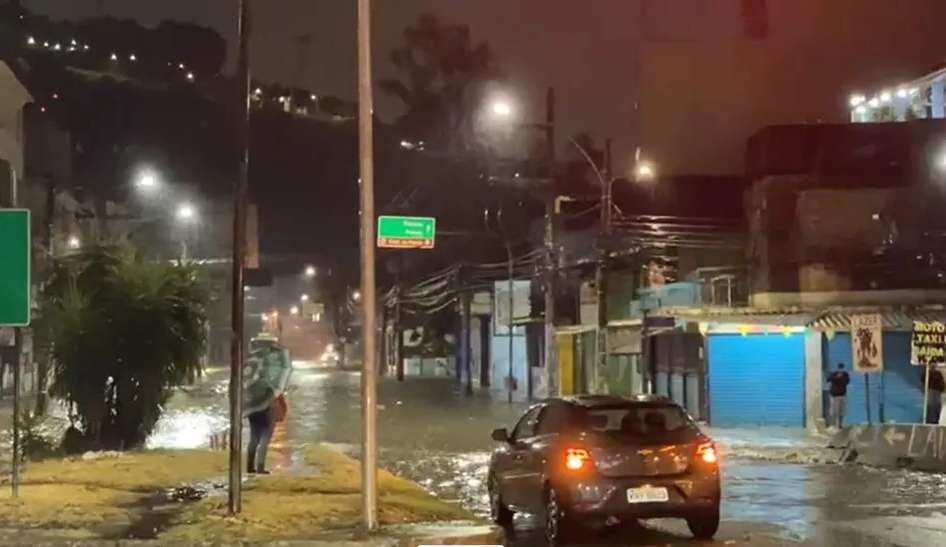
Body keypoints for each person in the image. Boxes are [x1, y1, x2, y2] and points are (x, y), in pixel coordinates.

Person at [247, 400, 276, 475]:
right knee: (264, 440)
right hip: (265, 411)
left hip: (252, 411)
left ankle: (250, 466)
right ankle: (260, 467)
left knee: (253, 439)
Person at [827, 363, 850, 429]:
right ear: (837, 368)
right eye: (839, 368)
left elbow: (847, 382)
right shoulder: (834, 374)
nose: (840, 370)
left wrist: (841, 378)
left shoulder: (845, 374)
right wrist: (836, 377)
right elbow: (828, 380)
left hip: (842, 395)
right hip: (834, 395)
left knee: (841, 411)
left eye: (842, 368)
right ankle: (833, 424)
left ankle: (840, 424)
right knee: (834, 411)